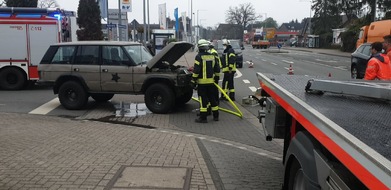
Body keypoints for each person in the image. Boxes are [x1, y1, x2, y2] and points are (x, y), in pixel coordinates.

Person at [192, 39, 220, 123]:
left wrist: (193, 80)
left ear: (200, 48)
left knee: (203, 100)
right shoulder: (212, 56)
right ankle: (216, 116)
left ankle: (203, 118)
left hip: (202, 83)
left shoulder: (198, 56)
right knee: (212, 99)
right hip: (211, 82)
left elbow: (196, 70)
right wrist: (216, 78)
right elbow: (217, 69)